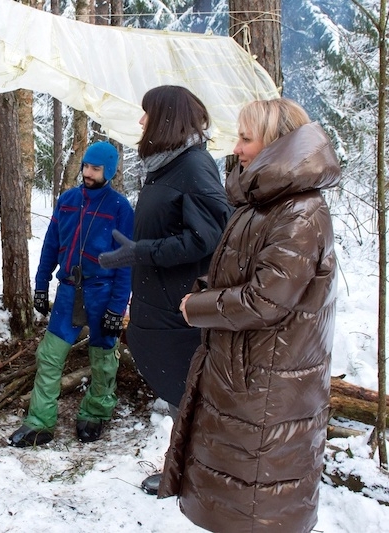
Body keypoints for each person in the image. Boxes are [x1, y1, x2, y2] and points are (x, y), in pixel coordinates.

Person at [157, 98, 340, 533]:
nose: (235, 148)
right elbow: (241, 275)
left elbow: (264, 300)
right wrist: (204, 294)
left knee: (255, 508)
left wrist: (198, 308)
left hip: (268, 391)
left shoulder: (300, 213)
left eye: (245, 138)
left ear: (276, 145)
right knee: (235, 505)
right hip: (246, 380)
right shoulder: (264, 204)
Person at [97, 86, 232, 492]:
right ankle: (185, 473)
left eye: (147, 114)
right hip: (160, 300)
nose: (141, 122)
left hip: (181, 306)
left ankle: (202, 480)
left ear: (167, 118)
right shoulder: (168, 165)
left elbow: (209, 237)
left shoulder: (193, 166)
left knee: (190, 395)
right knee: (180, 395)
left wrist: (144, 251)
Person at [8, 141, 134, 447]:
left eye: (96, 168)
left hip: (102, 291)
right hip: (68, 291)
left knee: (104, 358)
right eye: (86, 166)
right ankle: (40, 422)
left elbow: (127, 263)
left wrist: (117, 308)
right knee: (50, 356)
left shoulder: (120, 209)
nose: (88, 173)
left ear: (110, 171)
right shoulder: (67, 200)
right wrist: (40, 285)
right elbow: (51, 245)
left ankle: (96, 413)